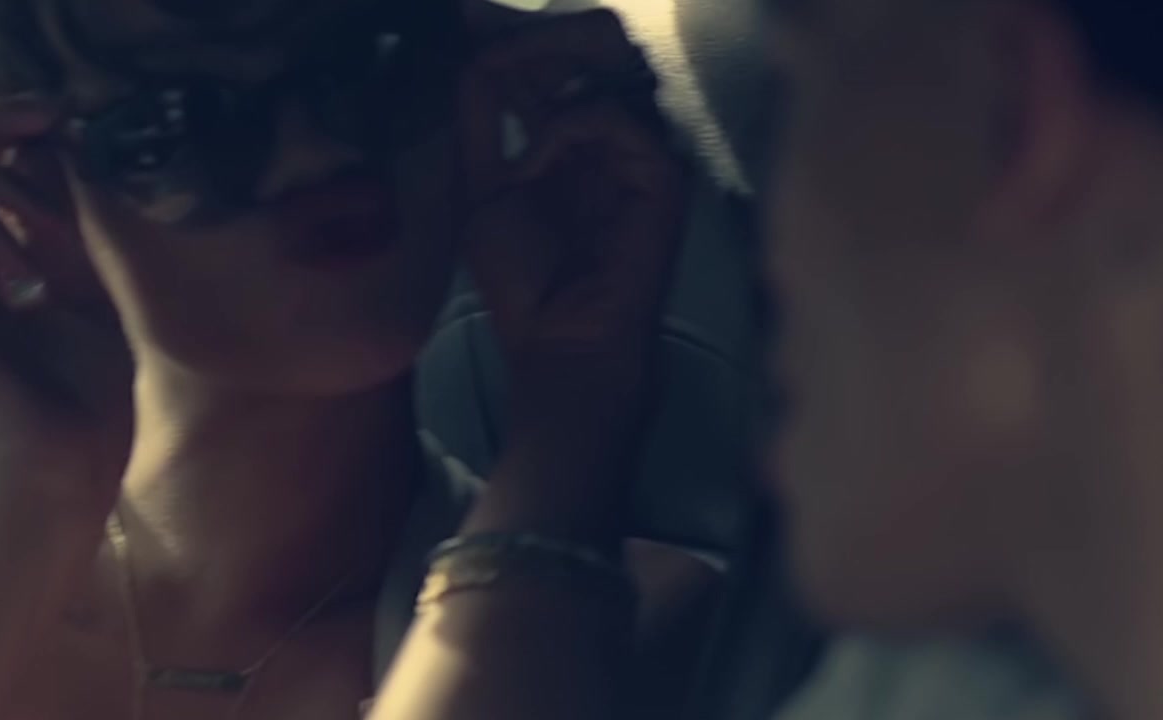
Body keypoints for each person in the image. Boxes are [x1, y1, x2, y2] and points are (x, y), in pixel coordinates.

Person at [0, 1, 719, 719]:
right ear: (15, 176)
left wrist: (573, 411)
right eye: (175, 119)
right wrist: (21, 504)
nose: (312, 153)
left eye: (370, 61)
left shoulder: (627, 616)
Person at [366, 0, 1163, 719]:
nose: (772, 243)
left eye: (799, 97)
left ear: (1012, 105)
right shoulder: (947, 684)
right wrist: (569, 396)